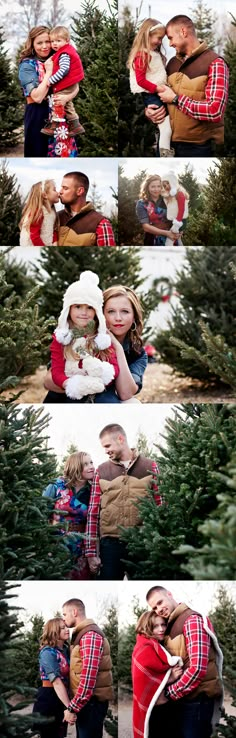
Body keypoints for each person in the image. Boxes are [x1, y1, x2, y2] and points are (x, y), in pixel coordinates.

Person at [43, 284, 148, 403]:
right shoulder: (78, 338)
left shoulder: (137, 353)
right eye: (111, 311)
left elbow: (126, 393)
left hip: (103, 404)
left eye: (125, 311)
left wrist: (117, 348)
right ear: (100, 314)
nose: (118, 318)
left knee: (133, 403)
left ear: (134, 317)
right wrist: (83, 383)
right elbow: (48, 381)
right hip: (66, 401)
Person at [145, 14, 229, 157]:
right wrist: (150, 112)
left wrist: (176, 99)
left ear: (183, 32)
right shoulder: (171, 64)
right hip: (166, 145)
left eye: (170, 38)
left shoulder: (215, 63)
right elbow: (161, 97)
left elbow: (215, 111)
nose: (169, 44)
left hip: (196, 149)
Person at [85, 423, 161, 580]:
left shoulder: (150, 466)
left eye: (107, 446)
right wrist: (91, 552)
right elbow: (93, 513)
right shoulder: (102, 470)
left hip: (142, 543)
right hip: (110, 546)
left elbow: (160, 505)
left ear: (120, 439)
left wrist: (159, 543)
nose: (105, 451)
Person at [146, 585, 224, 738]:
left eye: (160, 602)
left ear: (169, 594)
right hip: (185, 700)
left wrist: (169, 694)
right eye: (154, 608)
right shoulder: (170, 625)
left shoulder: (191, 620)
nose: (159, 609)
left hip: (197, 702)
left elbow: (198, 668)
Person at [47, 271, 119, 403]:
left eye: (90, 307)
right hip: (70, 389)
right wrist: (70, 385)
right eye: (78, 306)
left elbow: (114, 367)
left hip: (98, 390)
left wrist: (99, 378)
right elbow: (56, 370)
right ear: (69, 309)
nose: (84, 313)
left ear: (96, 311)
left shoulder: (101, 338)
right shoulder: (61, 337)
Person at [18, 26, 79, 157]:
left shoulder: (60, 58)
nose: (45, 46)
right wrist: (49, 72)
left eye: (48, 41)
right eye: (39, 43)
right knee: (39, 152)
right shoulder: (27, 65)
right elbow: (37, 97)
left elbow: (75, 85)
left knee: (63, 154)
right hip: (38, 115)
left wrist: (66, 98)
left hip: (60, 115)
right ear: (32, 45)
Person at [62, 598, 113, 737]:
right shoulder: (82, 634)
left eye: (65, 614)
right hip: (87, 704)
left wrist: (72, 707)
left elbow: (89, 677)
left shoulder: (90, 635)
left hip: (91, 704)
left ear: (74, 612)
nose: (63, 619)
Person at [42, 451, 95, 579]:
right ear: (75, 467)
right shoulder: (56, 487)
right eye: (86, 464)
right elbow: (41, 515)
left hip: (81, 546)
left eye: (91, 462)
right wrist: (46, 546)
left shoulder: (93, 491)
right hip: (57, 543)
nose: (91, 467)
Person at [132, 610, 183, 738]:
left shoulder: (156, 645)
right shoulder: (145, 647)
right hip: (157, 710)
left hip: (166, 706)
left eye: (163, 625)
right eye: (155, 626)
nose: (161, 629)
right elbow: (142, 679)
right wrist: (169, 678)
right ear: (146, 627)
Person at [127, 18, 172, 157]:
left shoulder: (154, 54)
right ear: (147, 35)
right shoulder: (142, 54)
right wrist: (158, 89)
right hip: (152, 95)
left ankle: (163, 152)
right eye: (158, 38)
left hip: (156, 93)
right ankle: (164, 156)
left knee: (167, 127)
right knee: (165, 128)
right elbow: (141, 80)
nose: (160, 42)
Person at [32, 617, 75, 738]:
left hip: (61, 696)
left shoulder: (65, 650)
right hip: (49, 698)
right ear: (53, 631)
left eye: (66, 627)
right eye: (62, 628)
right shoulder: (47, 652)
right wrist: (70, 708)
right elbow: (56, 682)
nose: (67, 630)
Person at [41, 25, 85, 137]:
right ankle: (76, 126)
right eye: (52, 41)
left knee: (58, 101)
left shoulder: (64, 54)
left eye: (58, 41)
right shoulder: (62, 51)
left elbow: (64, 70)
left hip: (67, 84)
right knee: (68, 105)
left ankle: (54, 126)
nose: (54, 44)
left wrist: (51, 80)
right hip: (69, 84)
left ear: (67, 41)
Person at [58, 172, 116, 246]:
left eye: (65, 188)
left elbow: (108, 254)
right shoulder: (56, 217)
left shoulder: (101, 224)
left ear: (79, 191)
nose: (60, 191)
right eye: (61, 187)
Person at [136, 174, 178, 245]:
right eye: (153, 187)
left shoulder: (168, 199)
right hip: (152, 240)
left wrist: (180, 230)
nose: (156, 189)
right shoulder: (142, 203)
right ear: (147, 187)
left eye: (159, 186)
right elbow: (146, 227)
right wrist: (167, 233)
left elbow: (177, 216)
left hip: (171, 238)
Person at [19, 179, 59, 246]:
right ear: (45, 195)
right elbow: (34, 237)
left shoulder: (52, 212)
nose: (58, 193)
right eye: (54, 190)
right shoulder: (38, 212)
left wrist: (55, 242)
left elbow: (53, 230)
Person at [161, 172, 189, 246]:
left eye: (168, 183)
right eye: (164, 185)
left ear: (172, 182)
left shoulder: (179, 194)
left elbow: (181, 210)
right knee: (178, 238)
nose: (166, 186)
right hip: (175, 220)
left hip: (179, 221)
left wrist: (176, 225)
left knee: (169, 241)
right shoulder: (170, 195)